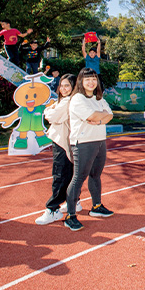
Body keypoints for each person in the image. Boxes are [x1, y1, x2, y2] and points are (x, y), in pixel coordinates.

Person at [64, 68, 114, 231]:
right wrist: (101, 115)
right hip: (83, 142)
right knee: (79, 177)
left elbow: (110, 115)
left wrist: (100, 119)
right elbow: (93, 116)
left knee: (96, 175)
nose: (91, 82)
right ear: (81, 81)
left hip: (99, 140)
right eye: (87, 79)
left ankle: (96, 206)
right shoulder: (78, 99)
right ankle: (70, 216)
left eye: (93, 79)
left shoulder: (99, 98)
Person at [36, 74, 80, 225]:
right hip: (67, 141)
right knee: (69, 173)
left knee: (60, 175)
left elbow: (52, 116)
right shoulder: (69, 101)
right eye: (61, 86)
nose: (63, 89)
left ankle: (53, 208)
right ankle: (74, 201)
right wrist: (51, 109)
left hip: (63, 142)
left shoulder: (68, 101)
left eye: (67, 85)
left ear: (74, 87)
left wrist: (49, 110)